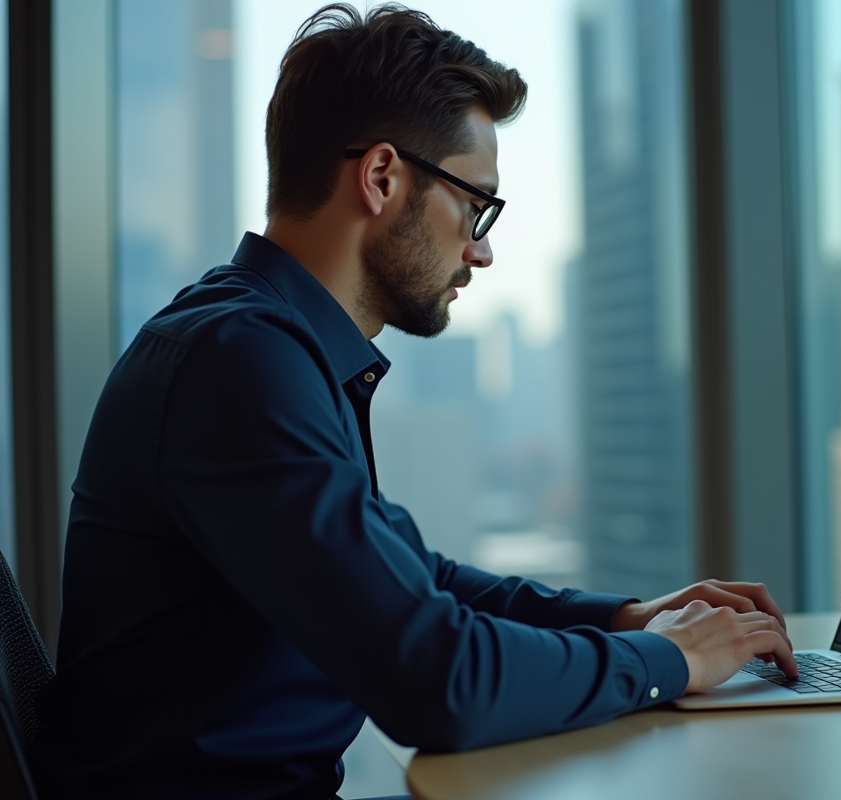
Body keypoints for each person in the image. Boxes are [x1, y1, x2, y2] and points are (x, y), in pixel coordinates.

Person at [31, 5, 798, 799]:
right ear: (382, 177)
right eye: (476, 205)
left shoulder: (264, 343)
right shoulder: (239, 362)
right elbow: (439, 681)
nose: (484, 248)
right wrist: (673, 661)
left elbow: (406, 579)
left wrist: (624, 619)